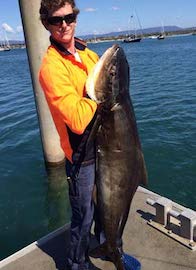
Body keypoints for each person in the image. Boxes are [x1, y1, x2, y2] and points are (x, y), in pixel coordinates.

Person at [39, 1, 101, 269]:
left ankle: (109, 247)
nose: (63, 24)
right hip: (80, 155)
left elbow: (105, 73)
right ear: (46, 24)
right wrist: (99, 90)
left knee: (105, 207)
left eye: (68, 17)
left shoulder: (87, 52)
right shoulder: (51, 67)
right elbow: (77, 119)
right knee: (83, 216)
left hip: (104, 145)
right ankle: (78, 264)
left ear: (75, 17)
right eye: (56, 20)